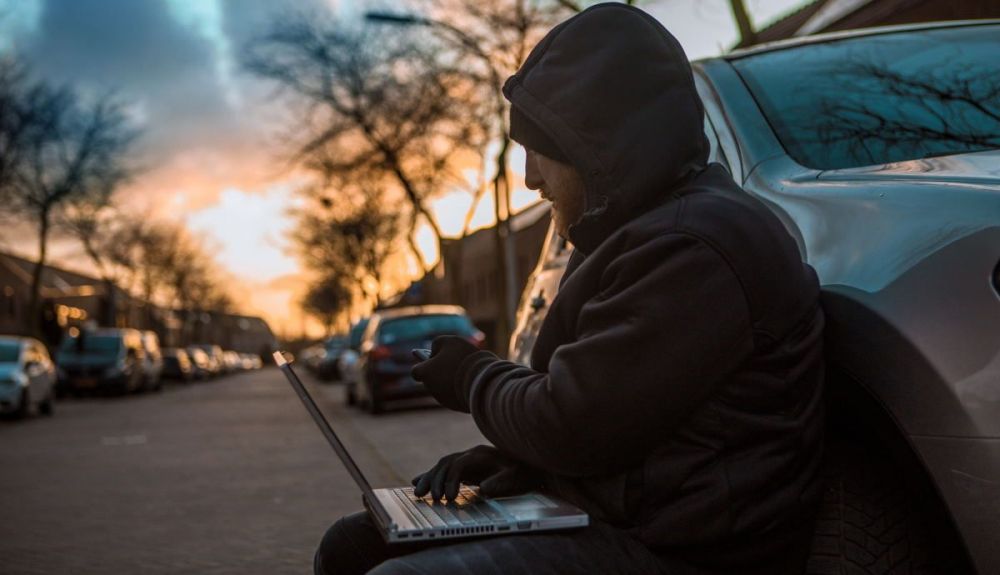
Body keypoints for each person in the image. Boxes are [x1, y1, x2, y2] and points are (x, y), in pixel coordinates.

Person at [313, 3, 824, 574]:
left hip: (684, 550)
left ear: (600, 145)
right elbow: (624, 421)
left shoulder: (695, 245)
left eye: (541, 151)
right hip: (618, 514)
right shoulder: (641, 234)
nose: (531, 178)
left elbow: (573, 426)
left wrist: (472, 376)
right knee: (350, 545)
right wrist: (521, 466)